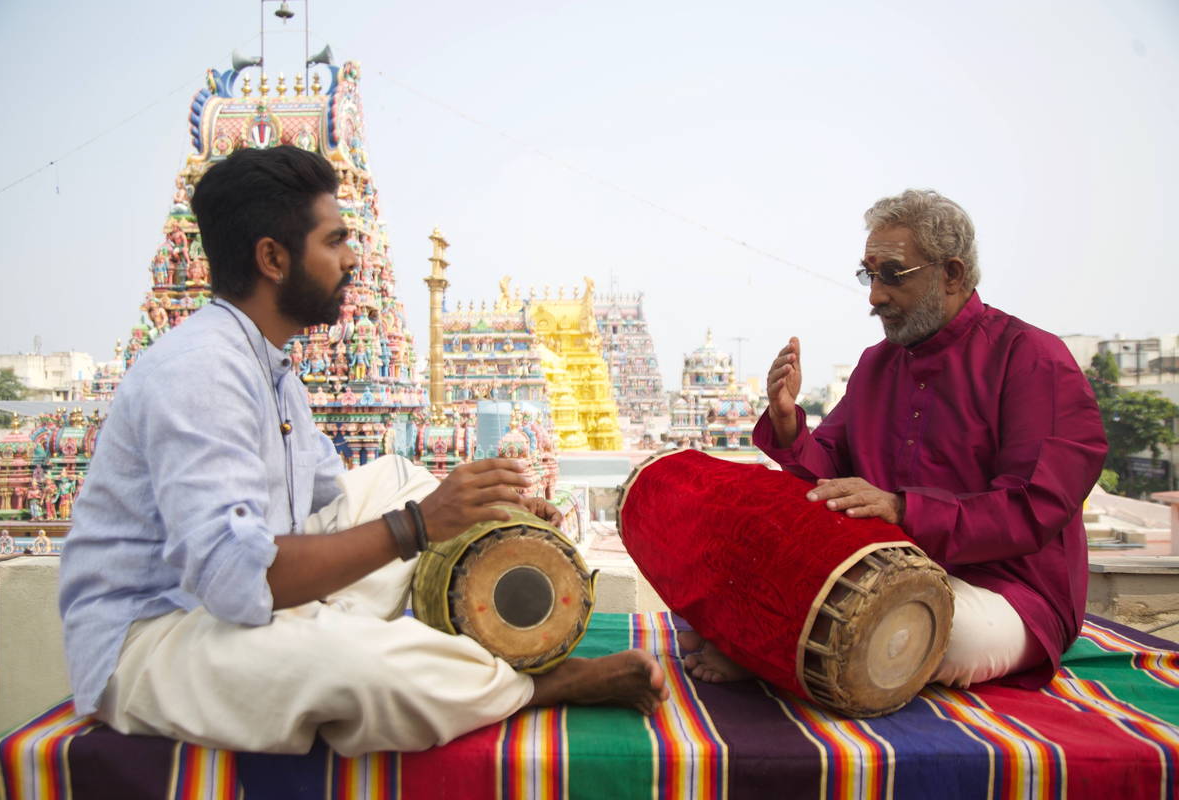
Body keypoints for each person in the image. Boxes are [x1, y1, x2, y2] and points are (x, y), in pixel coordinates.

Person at [58, 145, 666, 758]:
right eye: (334, 241)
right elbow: (232, 579)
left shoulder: (270, 368)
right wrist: (421, 526)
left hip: (250, 594)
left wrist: (482, 511)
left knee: (400, 477)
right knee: (358, 666)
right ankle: (531, 687)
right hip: (159, 636)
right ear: (272, 257)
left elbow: (334, 499)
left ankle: (350, 620)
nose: (353, 258)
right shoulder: (199, 373)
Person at [682, 189, 1107, 690]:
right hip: (880, 567)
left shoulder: (1033, 359)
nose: (874, 296)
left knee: (936, 634)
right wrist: (787, 423)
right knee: (728, 539)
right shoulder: (877, 365)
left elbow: (1035, 507)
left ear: (951, 274)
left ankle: (757, 650)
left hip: (1007, 592)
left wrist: (903, 510)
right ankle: (769, 645)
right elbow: (828, 474)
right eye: (869, 274)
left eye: (891, 275)